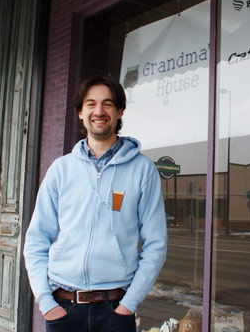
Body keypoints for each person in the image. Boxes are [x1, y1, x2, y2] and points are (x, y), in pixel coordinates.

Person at [24, 75, 168, 331]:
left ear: (120, 111)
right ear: (81, 113)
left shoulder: (143, 170)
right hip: (64, 307)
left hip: (115, 309)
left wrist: (129, 304)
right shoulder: (61, 169)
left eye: (107, 104)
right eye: (90, 104)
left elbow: (155, 244)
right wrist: (47, 303)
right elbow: (36, 240)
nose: (98, 111)